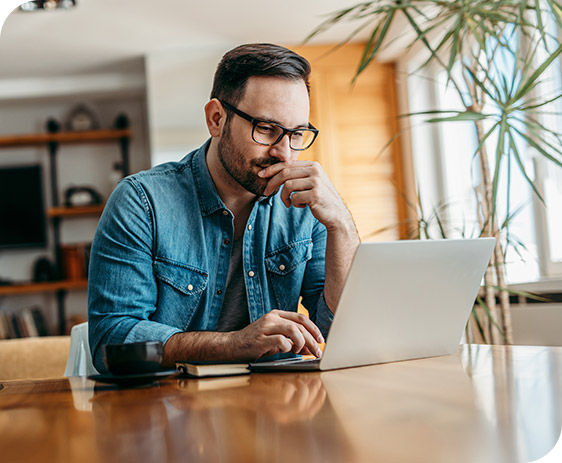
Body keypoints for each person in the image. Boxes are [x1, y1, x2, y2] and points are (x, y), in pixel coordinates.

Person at [88, 43, 360, 373]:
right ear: (217, 119)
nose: (285, 153)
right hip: (170, 408)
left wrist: (341, 225)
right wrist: (235, 345)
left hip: (278, 408)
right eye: (266, 129)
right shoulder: (141, 202)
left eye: (297, 134)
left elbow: (343, 330)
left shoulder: (307, 205)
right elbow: (111, 341)